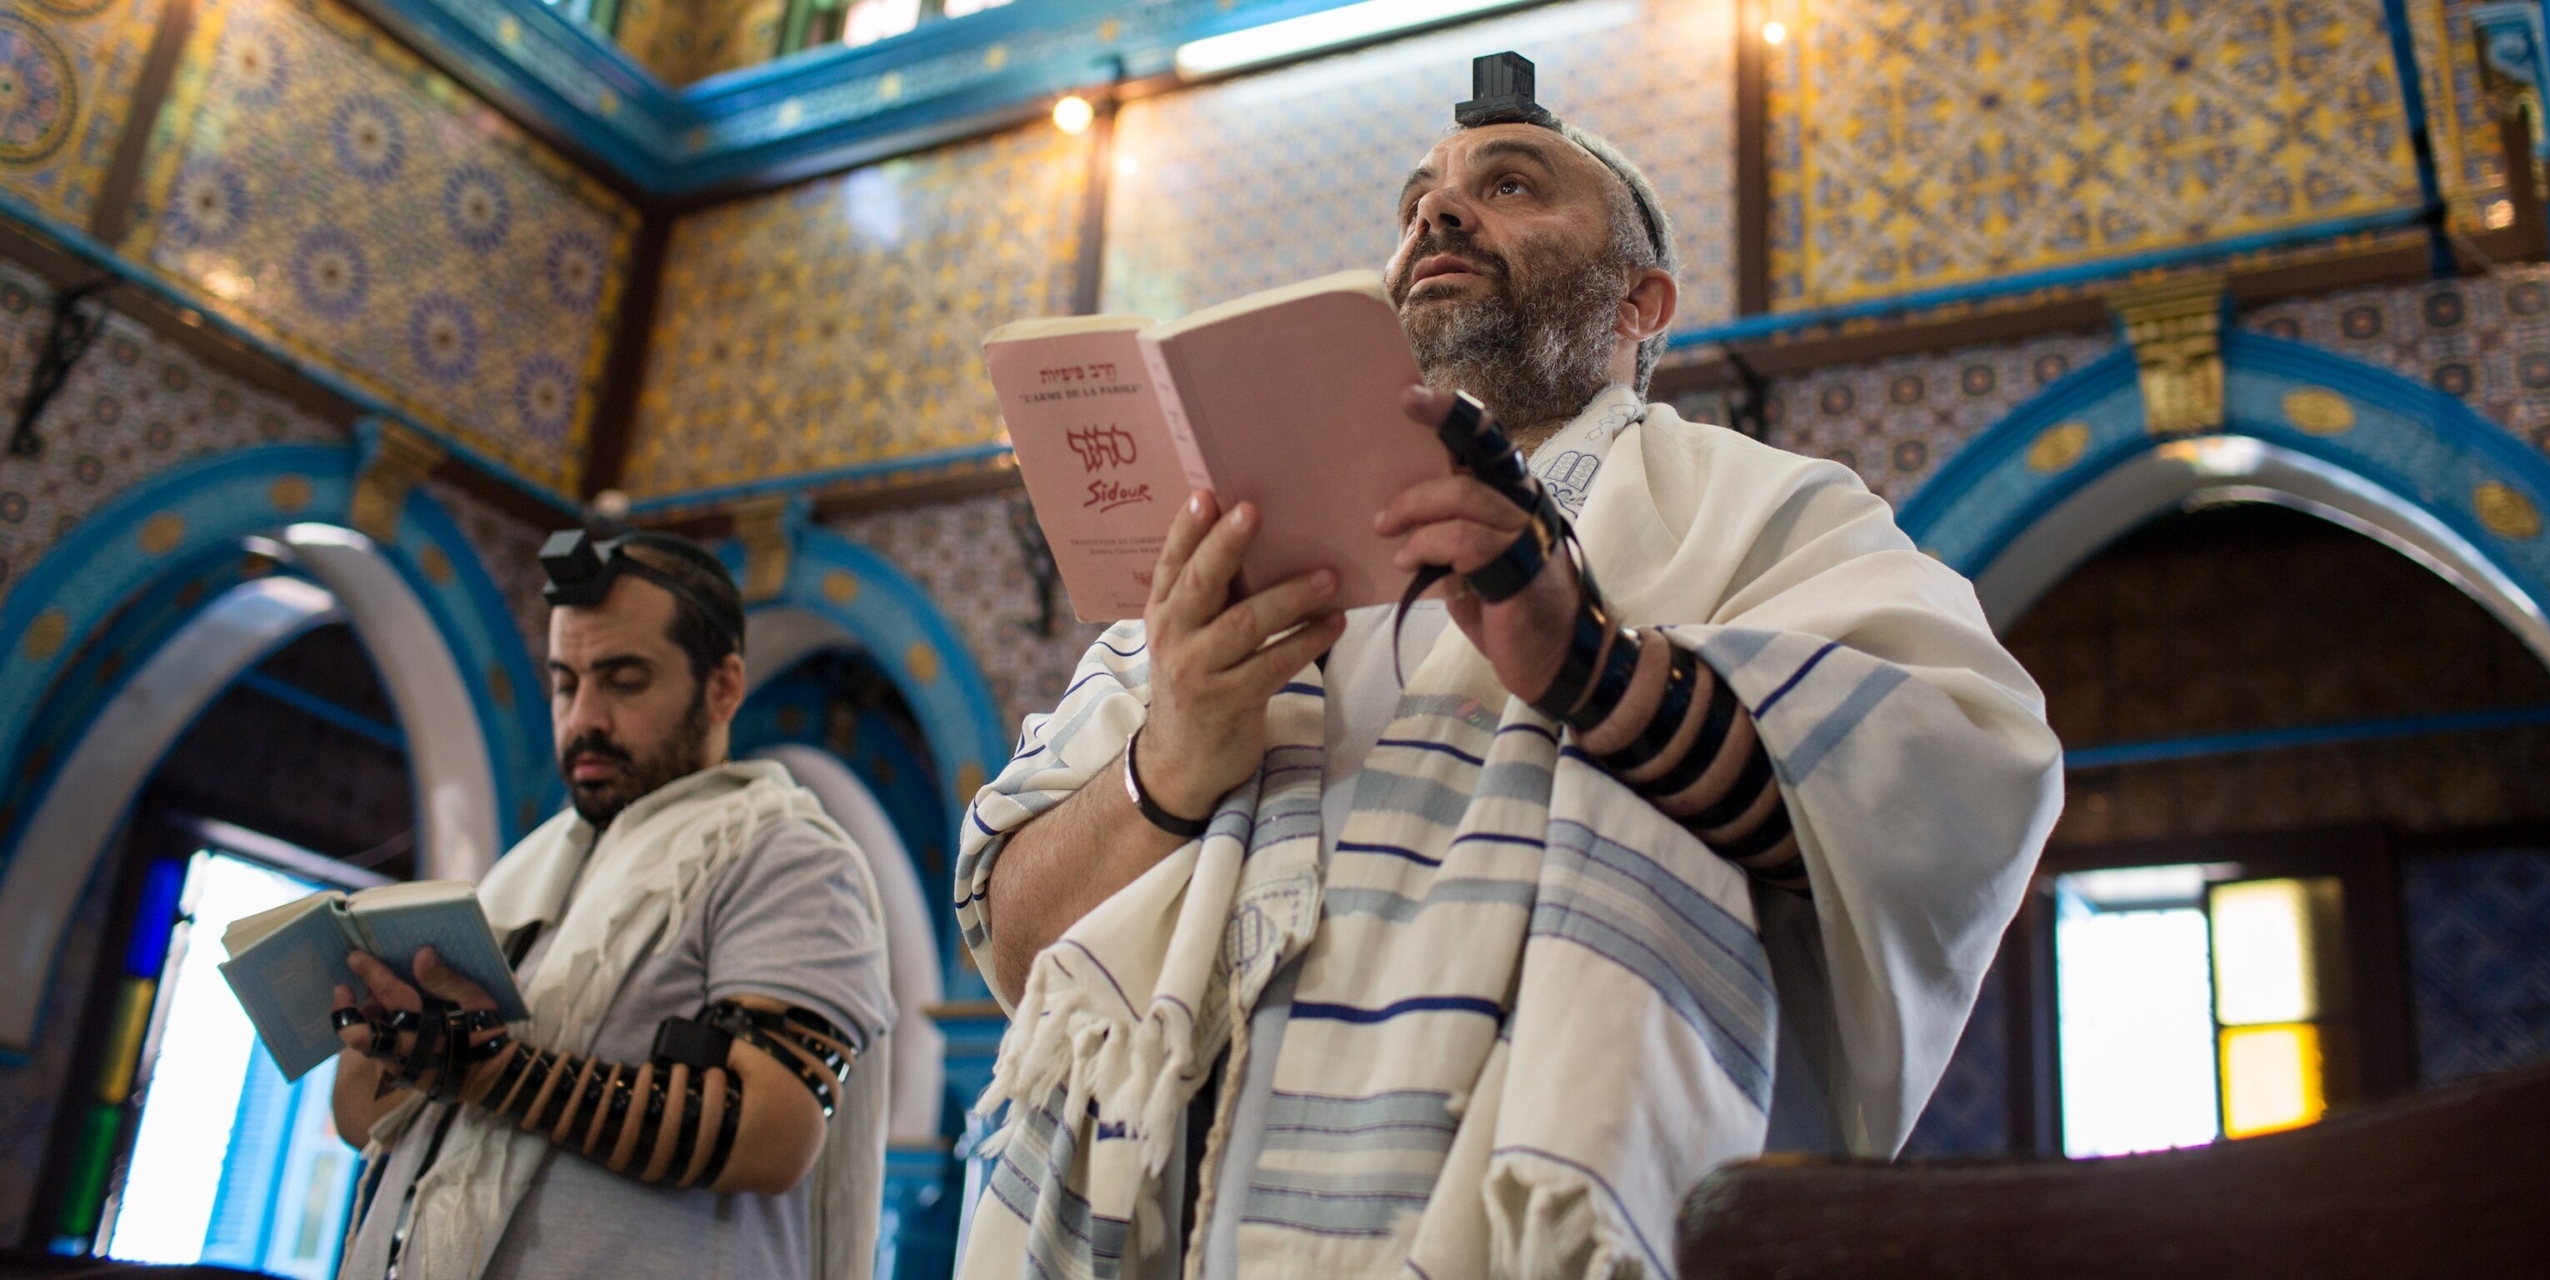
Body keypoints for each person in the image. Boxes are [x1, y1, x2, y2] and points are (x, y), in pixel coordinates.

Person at [952, 55, 2064, 1279]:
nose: (1436, 211)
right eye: (1418, 198)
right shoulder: (1222, 560)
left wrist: (1590, 668)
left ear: (1641, 306)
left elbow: (1959, 784)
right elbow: (1015, 944)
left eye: (1513, 184)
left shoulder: (1758, 511)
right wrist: (1167, 763)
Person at [326, 531, 896, 1280]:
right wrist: (393, 1042)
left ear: (723, 686)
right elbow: (365, 1123)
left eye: (624, 680)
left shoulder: (785, 854)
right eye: (566, 683)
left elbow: (773, 1132)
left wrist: (489, 1070)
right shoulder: (520, 870)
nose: (584, 717)